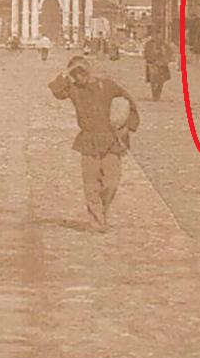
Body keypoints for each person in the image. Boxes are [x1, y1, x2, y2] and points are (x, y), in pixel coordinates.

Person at [49, 55, 139, 231]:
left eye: (81, 72)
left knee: (111, 183)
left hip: (112, 140)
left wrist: (127, 127)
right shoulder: (74, 89)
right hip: (88, 141)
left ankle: (101, 213)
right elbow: (57, 91)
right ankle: (97, 221)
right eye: (75, 74)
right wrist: (66, 73)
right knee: (91, 184)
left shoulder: (107, 85)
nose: (79, 77)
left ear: (88, 71)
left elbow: (130, 103)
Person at [144, 36, 172, 101]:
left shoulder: (164, 44)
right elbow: (146, 54)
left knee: (161, 80)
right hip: (152, 64)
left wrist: (166, 59)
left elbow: (169, 52)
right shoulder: (148, 44)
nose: (156, 36)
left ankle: (157, 95)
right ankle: (154, 95)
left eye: (157, 33)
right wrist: (151, 60)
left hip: (162, 65)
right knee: (153, 80)